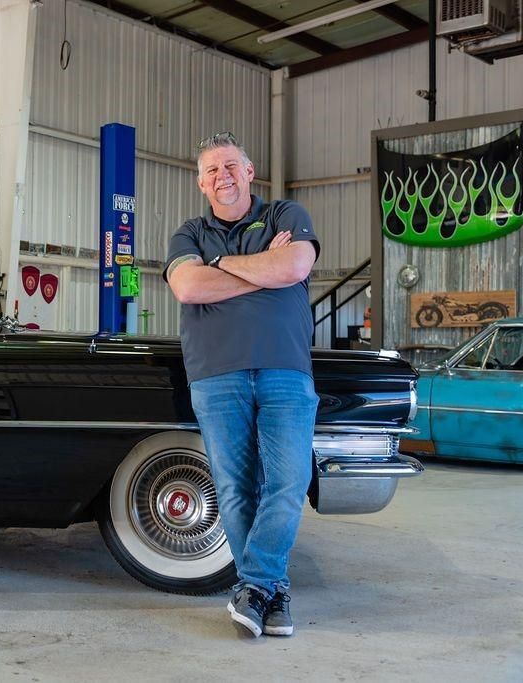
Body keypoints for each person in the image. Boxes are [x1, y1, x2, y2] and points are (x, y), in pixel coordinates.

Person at [163, 132, 319, 638]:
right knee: (234, 489)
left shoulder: (285, 216)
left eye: (231, 166)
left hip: (285, 369)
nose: (222, 177)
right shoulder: (189, 232)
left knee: (289, 482)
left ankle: (254, 586)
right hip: (216, 373)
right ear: (200, 181)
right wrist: (262, 271)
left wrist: (223, 266)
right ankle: (274, 596)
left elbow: (296, 264)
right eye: (211, 170)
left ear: (249, 172)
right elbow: (187, 286)